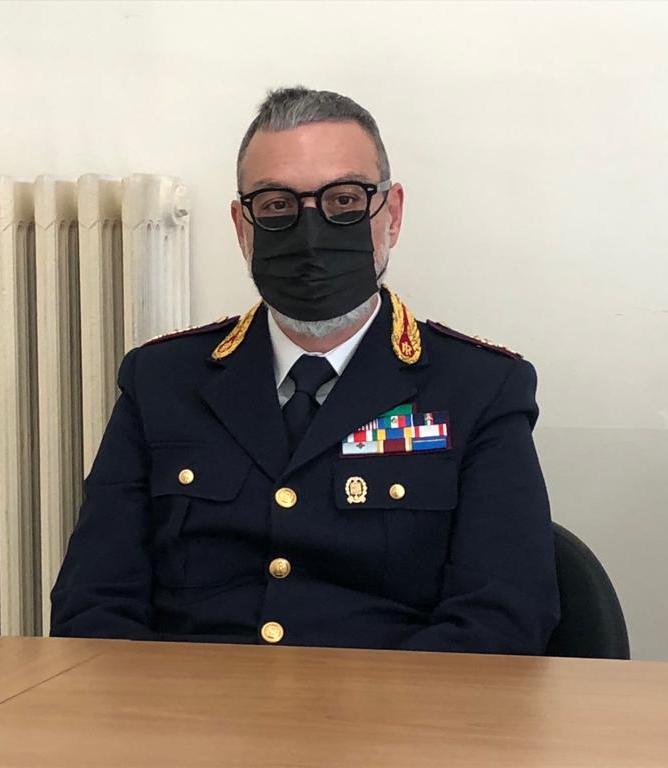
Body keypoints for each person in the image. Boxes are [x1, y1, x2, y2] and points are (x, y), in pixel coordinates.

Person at [50, 87, 560, 653]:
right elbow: (93, 603)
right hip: (192, 702)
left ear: (391, 215)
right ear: (242, 227)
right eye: (276, 205)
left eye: (344, 200)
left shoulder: (479, 389)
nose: (312, 234)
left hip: (394, 704)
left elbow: (502, 618)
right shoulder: (162, 381)